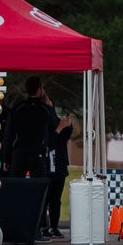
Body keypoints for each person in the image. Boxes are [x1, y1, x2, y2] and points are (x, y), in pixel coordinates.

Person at [5, 76, 56, 238]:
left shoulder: (18, 108)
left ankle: (12, 222)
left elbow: (9, 134)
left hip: (19, 152)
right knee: (40, 190)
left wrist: (7, 157)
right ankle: (40, 226)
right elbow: (54, 130)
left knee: (14, 189)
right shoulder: (44, 110)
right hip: (37, 153)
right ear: (39, 90)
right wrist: (50, 107)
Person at [45, 98, 74, 237]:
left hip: (59, 165)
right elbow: (49, 141)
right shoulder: (44, 124)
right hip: (45, 165)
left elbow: (65, 137)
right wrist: (60, 128)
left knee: (56, 199)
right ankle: (43, 226)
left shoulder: (58, 122)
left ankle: (54, 226)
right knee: (45, 198)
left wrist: (68, 125)